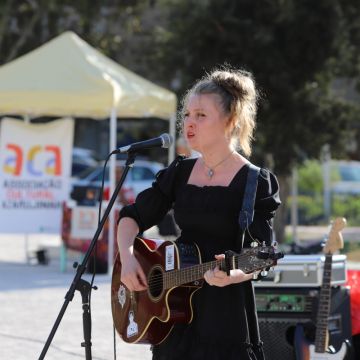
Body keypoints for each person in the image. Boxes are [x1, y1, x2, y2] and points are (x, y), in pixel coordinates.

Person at [117, 66, 281, 360]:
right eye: (187, 115)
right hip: (173, 316)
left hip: (224, 316)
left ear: (230, 121)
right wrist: (128, 259)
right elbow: (131, 217)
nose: (189, 123)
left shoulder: (255, 181)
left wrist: (234, 274)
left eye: (201, 115)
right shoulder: (179, 172)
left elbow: (264, 254)